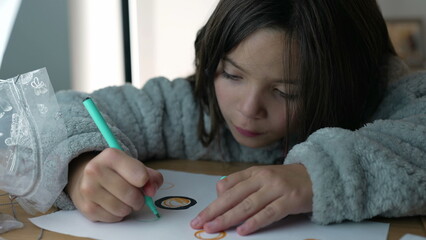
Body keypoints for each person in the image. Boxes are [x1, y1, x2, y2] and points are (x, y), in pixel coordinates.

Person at [51, 0, 426, 236]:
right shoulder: (192, 107)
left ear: (348, 85)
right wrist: (81, 165)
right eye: (231, 75)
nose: (247, 109)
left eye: (286, 92)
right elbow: (61, 112)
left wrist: (319, 175)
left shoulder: (383, 96)